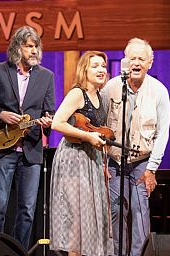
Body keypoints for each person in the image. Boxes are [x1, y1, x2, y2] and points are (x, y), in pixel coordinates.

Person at [0, 25, 55, 249]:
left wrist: (48, 123)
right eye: (28, 46)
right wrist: (1, 114)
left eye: (36, 46)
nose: (33, 50)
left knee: (27, 210)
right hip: (2, 149)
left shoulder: (46, 77)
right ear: (17, 48)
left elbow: (48, 111)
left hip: (31, 150)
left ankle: (18, 252)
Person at [102, 38, 170, 256]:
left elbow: (163, 133)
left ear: (150, 62)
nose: (136, 63)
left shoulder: (159, 91)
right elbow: (100, 128)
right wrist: (102, 162)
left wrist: (152, 168)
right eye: (132, 58)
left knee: (140, 212)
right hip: (114, 161)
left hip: (143, 163)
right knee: (115, 211)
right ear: (124, 61)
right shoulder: (111, 88)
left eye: (141, 58)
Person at [50, 51, 113, 256]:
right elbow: (57, 123)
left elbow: (96, 131)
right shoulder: (78, 93)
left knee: (90, 215)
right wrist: (87, 138)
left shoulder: (100, 97)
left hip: (91, 158)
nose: (101, 69)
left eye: (103, 66)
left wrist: (104, 165)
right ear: (84, 70)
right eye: (95, 66)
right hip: (73, 157)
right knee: (76, 216)